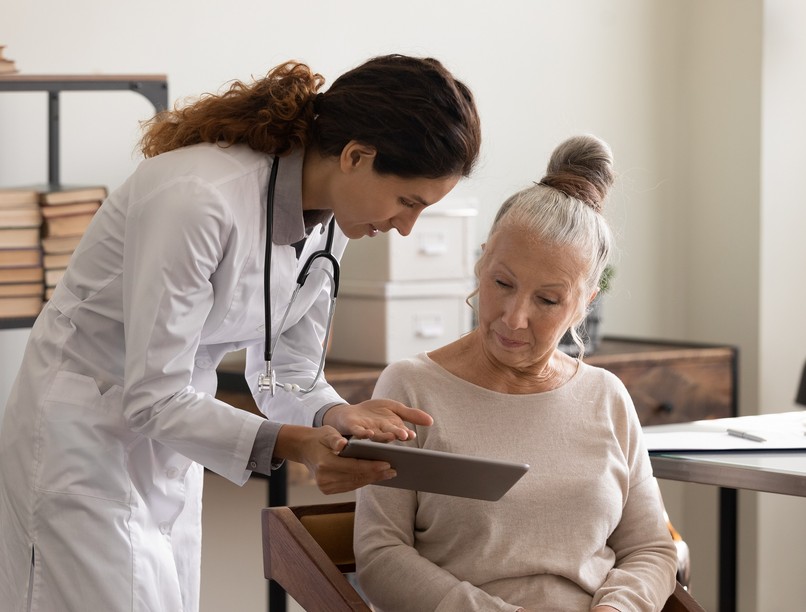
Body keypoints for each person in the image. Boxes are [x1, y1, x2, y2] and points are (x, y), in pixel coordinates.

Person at [0, 54, 481, 611]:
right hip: (79, 439)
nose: (406, 227)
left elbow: (291, 370)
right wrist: (297, 443)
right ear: (355, 156)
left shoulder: (332, 220)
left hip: (169, 438)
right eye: (408, 202)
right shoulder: (197, 198)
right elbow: (152, 394)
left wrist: (332, 415)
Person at [354, 135, 678, 612]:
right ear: (481, 261)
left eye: (548, 300)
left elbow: (651, 548)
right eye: (502, 283)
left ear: (584, 304)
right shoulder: (411, 388)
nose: (513, 317)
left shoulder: (605, 396)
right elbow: (381, 556)